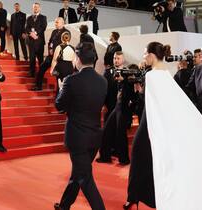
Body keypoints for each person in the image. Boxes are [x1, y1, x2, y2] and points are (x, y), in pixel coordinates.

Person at [125, 41, 202, 210]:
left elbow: (149, 105)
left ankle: (135, 198)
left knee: (140, 155)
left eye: (145, 53)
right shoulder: (165, 74)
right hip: (154, 124)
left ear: (152, 55)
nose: (144, 56)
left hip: (149, 124)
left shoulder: (152, 76)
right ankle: (138, 197)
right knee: (148, 159)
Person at [54, 42, 107, 210]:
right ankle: (64, 205)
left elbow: (59, 106)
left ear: (77, 59)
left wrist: (61, 89)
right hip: (94, 137)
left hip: (77, 138)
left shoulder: (71, 80)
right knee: (78, 173)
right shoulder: (102, 81)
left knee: (84, 177)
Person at [97, 51, 134, 165]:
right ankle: (105, 156)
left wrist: (124, 80)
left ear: (123, 59)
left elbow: (132, 91)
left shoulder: (129, 72)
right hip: (116, 105)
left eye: (118, 58)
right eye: (114, 58)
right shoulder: (109, 72)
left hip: (123, 106)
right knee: (107, 130)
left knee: (120, 133)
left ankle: (123, 159)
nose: (116, 60)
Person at [31, 17, 68, 91]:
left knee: (59, 75)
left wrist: (54, 51)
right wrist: (50, 49)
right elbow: (50, 42)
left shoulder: (66, 32)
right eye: (55, 22)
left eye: (57, 22)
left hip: (59, 58)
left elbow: (64, 45)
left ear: (62, 23)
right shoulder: (54, 31)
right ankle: (38, 86)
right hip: (51, 56)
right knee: (41, 68)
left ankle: (59, 92)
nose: (55, 24)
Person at [25, 2, 47, 77]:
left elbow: (43, 27)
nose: (35, 8)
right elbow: (26, 28)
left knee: (40, 59)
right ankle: (32, 72)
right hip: (31, 41)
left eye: (37, 7)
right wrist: (31, 33)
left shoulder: (43, 17)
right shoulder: (29, 18)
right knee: (31, 58)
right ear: (33, 8)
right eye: (34, 7)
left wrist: (36, 33)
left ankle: (41, 73)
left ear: (39, 8)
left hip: (39, 41)